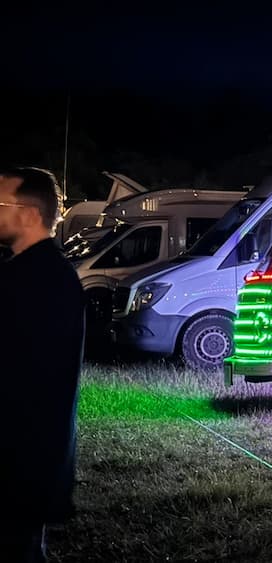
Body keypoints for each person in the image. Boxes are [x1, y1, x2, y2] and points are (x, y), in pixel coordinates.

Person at [0, 167, 86, 562]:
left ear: (29, 214)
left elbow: (28, 375)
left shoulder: (40, 280)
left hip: (20, 462)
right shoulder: (39, 273)